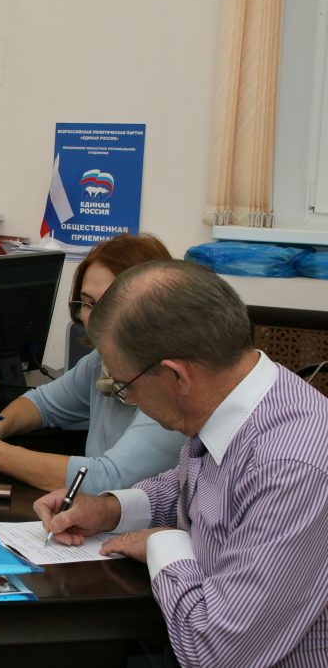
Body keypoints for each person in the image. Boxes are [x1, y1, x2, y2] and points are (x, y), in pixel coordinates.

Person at [36, 260, 328, 668]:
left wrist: (163, 544)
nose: (128, 399)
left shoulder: (292, 468)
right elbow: (200, 485)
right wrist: (110, 509)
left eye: (125, 385)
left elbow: (214, 654)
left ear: (177, 377)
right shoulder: (244, 397)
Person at [0, 234, 185, 492]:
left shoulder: (170, 382)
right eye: (87, 303)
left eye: (110, 304)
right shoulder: (100, 362)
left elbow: (109, 479)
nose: (95, 319)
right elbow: (43, 403)